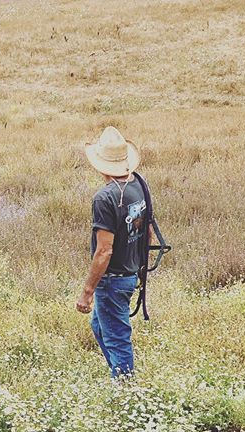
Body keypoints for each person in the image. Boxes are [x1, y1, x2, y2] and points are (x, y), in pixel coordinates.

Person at [76, 126, 148, 377]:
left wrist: (87, 292)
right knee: (100, 325)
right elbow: (147, 232)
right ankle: (120, 373)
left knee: (117, 338)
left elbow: (103, 252)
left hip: (113, 279)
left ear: (100, 164)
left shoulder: (104, 198)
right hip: (129, 273)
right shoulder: (139, 184)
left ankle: (125, 389)